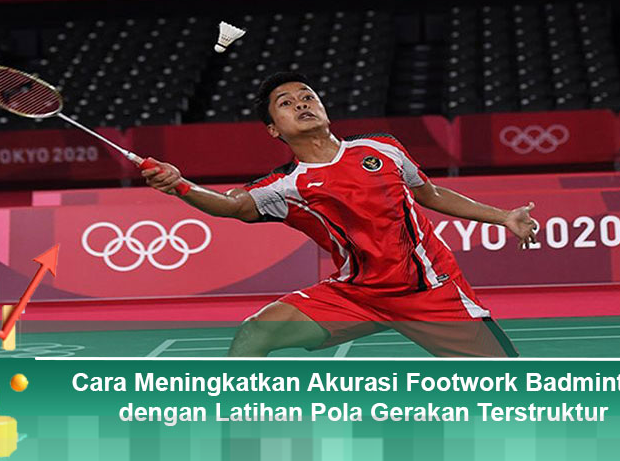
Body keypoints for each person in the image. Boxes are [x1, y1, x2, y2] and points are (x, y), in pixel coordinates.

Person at [141, 72, 538, 358]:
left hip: (430, 291)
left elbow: (430, 194)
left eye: (307, 97)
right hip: (357, 295)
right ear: (273, 130)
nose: (301, 103)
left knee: (509, 390)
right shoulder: (285, 186)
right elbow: (231, 205)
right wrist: (180, 185)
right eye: (286, 103)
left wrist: (503, 217)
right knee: (256, 333)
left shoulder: (382, 148)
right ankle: (231, 430)